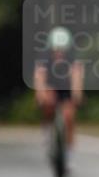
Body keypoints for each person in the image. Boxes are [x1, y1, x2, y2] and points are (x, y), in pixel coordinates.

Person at [33, 27, 84, 159]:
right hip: (50, 87)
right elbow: (39, 78)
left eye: (63, 50)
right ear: (51, 48)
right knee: (48, 101)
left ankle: (69, 154)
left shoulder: (72, 59)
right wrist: (41, 95)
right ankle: (48, 131)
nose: (59, 53)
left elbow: (77, 78)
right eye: (57, 49)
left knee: (69, 117)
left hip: (66, 89)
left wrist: (77, 96)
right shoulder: (44, 59)